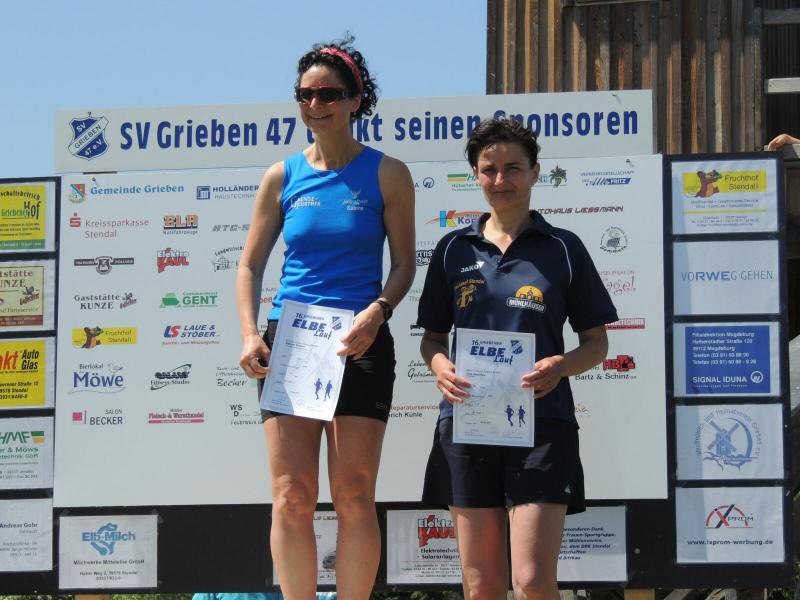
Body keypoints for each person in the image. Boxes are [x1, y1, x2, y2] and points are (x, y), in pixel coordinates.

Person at [236, 37, 415, 600]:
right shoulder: (281, 175)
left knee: (354, 494)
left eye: (329, 94)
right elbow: (249, 266)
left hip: (360, 339)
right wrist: (249, 333)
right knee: (291, 495)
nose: (315, 105)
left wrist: (379, 312)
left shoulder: (389, 173)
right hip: (292, 340)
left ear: (355, 100)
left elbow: (405, 264)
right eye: (305, 94)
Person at [417, 118, 617, 600]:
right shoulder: (452, 249)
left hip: (543, 425)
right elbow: (432, 339)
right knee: (481, 583)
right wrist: (441, 367)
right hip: (467, 423)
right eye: (489, 170)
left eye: (513, 168)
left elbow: (597, 343)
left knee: (531, 580)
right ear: (475, 175)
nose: (500, 179)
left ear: (535, 172)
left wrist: (560, 366)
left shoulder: (564, 248)